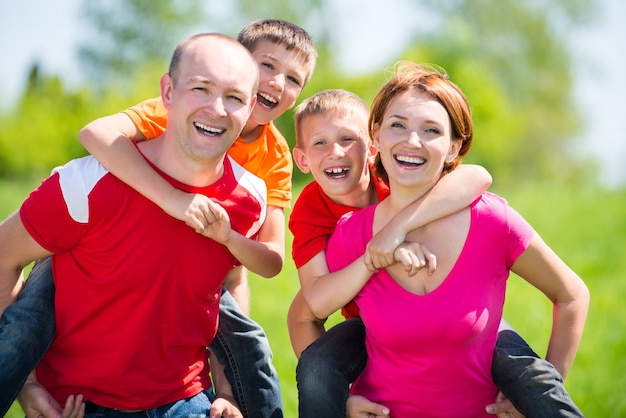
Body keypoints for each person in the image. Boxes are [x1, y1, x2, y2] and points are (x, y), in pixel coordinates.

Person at [0, 19, 317, 418]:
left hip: (183, 387)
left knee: (248, 341)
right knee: (29, 317)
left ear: (250, 101)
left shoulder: (267, 165)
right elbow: (97, 132)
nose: (277, 83)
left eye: (293, 79)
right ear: (169, 92)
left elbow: (247, 265)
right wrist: (173, 200)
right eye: (267, 66)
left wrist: (229, 393)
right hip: (83, 380)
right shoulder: (119, 155)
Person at [302, 62, 590, 417]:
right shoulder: (350, 234)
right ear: (375, 136)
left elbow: (571, 294)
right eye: (397, 126)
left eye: (431, 131)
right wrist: (339, 400)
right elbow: (308, 314)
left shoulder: (491, 220)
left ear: (454, 148)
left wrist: (536, 395)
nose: (412, 141)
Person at [285, 88, 490, 416]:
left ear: (372, 145)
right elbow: (315, 303)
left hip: (443, 311)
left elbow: (479, 176)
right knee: (317, 367)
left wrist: (395, 231)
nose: (335, 152)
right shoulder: (311, 208)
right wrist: (376, 255)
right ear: (303, 159)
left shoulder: (397, 176)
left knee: (517, 364)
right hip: (367, 322)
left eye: (347, 139)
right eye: (320, 142)